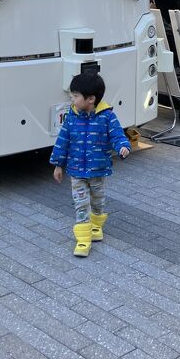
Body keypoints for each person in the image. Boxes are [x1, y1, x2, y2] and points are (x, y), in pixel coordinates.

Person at [50, 72, 130, 257]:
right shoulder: (71, 117)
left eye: (75, 96)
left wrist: (123, 146)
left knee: (97, 201)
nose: (72, 99)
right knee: (80, 204)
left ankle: (96, 225)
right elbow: (63, 140)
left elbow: (117, 135)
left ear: (91, 99)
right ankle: (83, 239)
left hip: (98, 170)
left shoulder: (107, 117)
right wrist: (58, 164)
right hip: (76, 171)